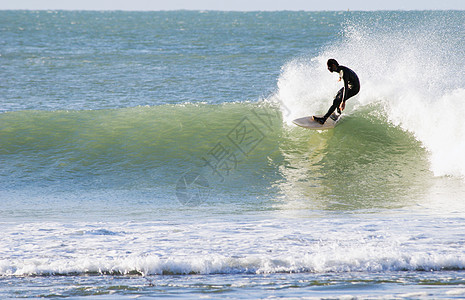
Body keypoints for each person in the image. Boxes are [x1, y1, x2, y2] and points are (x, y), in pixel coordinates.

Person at [313, 59, 360, 124]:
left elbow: (346, 88)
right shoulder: (340, 69)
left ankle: (323, 119)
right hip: (350, 86)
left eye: (329, 67)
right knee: (337, 95)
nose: (329, 69)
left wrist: (343, 102)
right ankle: (338, 113)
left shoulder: (343, 72)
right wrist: (340, 77)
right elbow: (342, 74)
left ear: (333, 65)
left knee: (337, 100)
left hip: (354, 88)